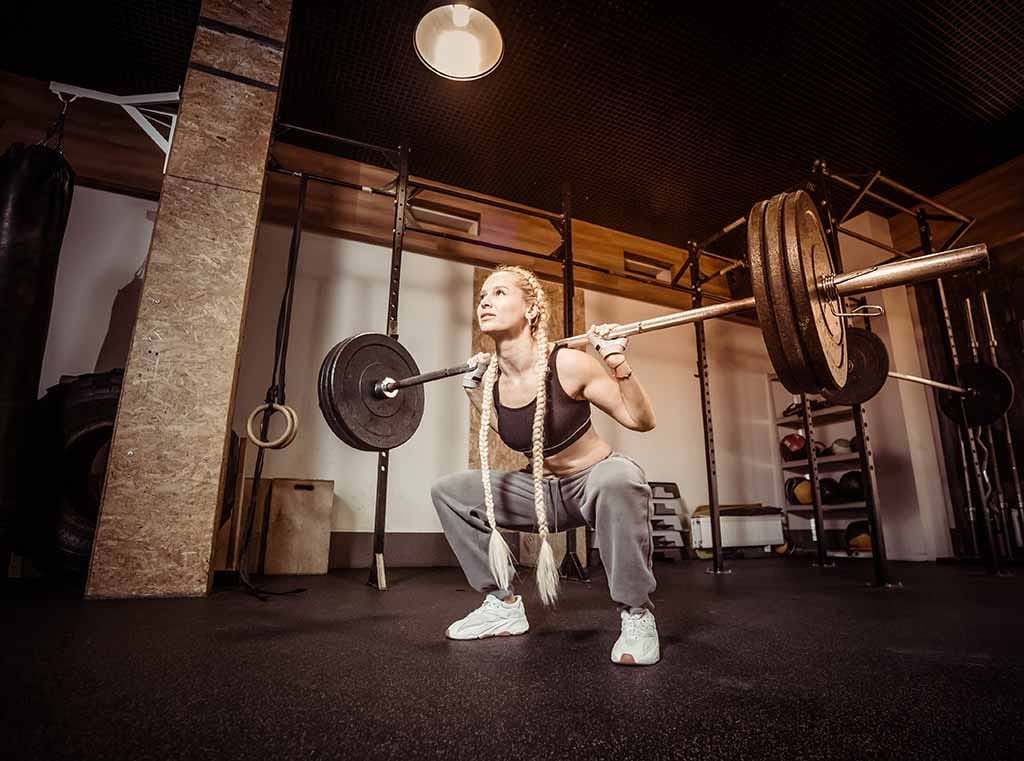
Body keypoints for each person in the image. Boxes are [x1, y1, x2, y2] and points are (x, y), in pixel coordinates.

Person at [430, 265, 661, 665]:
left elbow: (641, 421)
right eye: (484, 294)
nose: (485, 300)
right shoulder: (495, 379)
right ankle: (502, 604)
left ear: (533, 308)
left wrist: (618, 364)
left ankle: (637, 614)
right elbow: (513, 432)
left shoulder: (568, 363)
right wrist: (474, 392)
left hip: (592, 483)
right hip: (538, 491)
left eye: (500, 293)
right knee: (449, 492)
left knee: (620, 477)